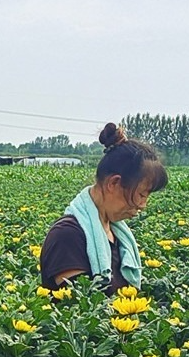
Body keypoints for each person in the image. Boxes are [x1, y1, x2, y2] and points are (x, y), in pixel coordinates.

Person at [38, 123, 167, 294]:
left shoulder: (117, 233)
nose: (143, 205)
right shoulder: (67, 235)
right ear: (113, 183)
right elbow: (81, 308)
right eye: (142, 195)